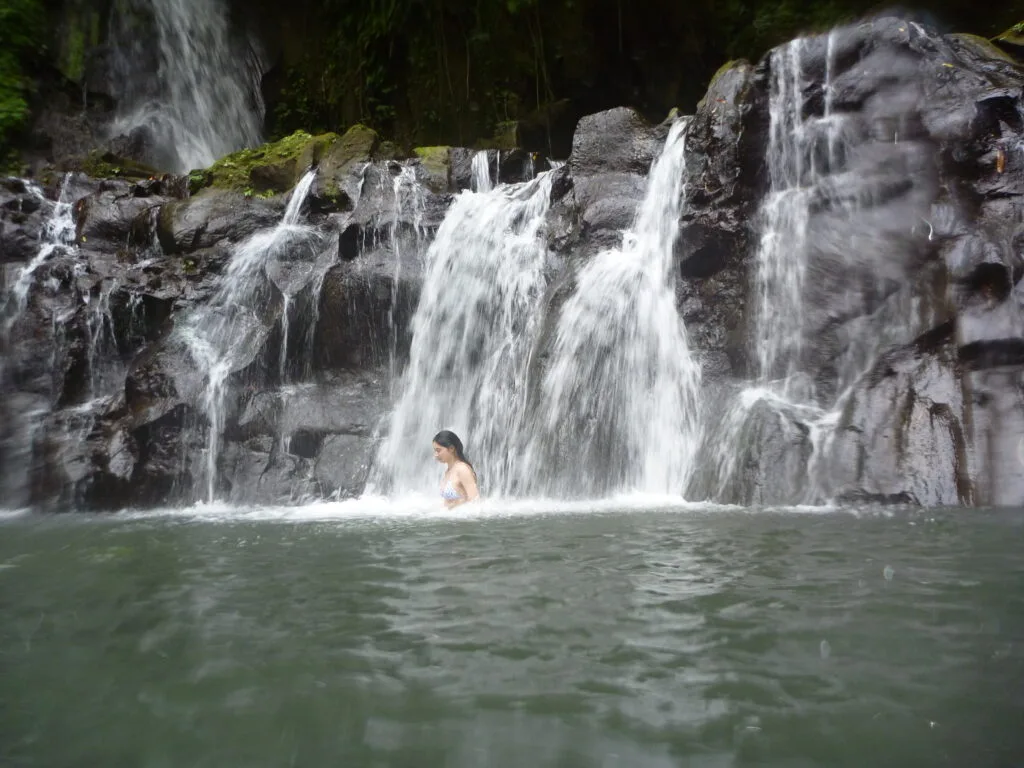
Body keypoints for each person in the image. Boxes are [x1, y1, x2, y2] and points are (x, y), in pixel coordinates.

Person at [432, 430, 480, 508]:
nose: (435, 455)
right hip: (450, 517)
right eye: (435, 451)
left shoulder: (463, 469)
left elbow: (475, 501)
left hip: (461, 519)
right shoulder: (449, 470)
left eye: (438, 450)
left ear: (451, 448)